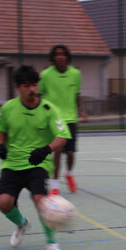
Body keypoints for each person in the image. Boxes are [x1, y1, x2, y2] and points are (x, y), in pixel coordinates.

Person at [0, 65, 71, 250]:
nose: (32, 89)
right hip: (12, 164)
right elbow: (1, 129)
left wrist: (46, 150)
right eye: (26, 86)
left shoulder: (49, 109)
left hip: (38, 165)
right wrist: (1, 145)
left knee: (40, 200)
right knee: (3, 202)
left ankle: (51, 242)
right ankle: (22, 224)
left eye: (34, 85)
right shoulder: (8, 108)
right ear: (18, 87)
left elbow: (63, 136)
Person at [39, 44, 87, 194]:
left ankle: (69, 174)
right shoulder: (45, 75)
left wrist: (82, 112)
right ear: (53, 58)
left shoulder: (75, 74)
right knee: (58, 151)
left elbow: (77, 95)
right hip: (54, 119)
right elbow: (39, 96)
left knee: (71, 153)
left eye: (63, 54)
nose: (60, 57)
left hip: (70, 118)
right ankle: (55, 186)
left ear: (67, 57)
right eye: (57, 54)